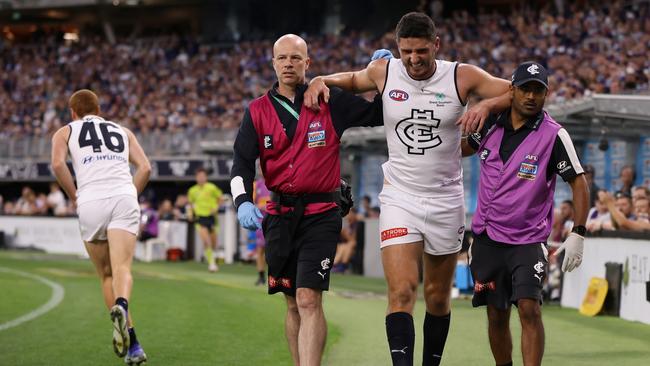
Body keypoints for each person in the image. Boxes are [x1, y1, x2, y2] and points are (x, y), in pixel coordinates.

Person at [304, 12, 511, 366]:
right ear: (397, 49)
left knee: (437, 297)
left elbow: (516, 91)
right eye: (406, 52)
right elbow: (354, 79)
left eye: (420, 51)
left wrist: (487, 104)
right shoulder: (386, 71)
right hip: (400, 197)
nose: (413, 59)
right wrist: (321, 78)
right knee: (401, 291)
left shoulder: (461, 75)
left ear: (436, 45)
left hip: (446, 199)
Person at [230, 34, 382, 366]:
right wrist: (241, 200)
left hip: (322, 214)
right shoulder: (256, 111)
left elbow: (378, 114)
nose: (288, 63)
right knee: (291, 303)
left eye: (295, 58)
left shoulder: (329, 100)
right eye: (282, 58)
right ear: (273, 63)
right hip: (280, 216)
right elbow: (241, 163)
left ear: (307, 63)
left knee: (308, 298)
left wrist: (385, 74)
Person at [462, 62, 589, 366]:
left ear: (546, 95)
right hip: (487, 238)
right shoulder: (490, 123)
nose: (531, 96)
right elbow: (461, 149)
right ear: (512, 91)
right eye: (525, 89)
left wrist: (578, 232)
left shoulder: (555, 135)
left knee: (530, 308)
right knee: (496, 313)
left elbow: (579, 182)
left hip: (527, 241)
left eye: (538, 91)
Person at [50, 89, 150, 365]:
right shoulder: (123, 131)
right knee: (123, 269)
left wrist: (74, 196)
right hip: (123, 196)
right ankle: (124, 308)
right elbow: (146, 168)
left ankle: (133, 342)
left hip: (91, 199)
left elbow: (58, 164)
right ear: (99, 109)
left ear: (73, 112)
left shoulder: (65, 131)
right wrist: (131, 194)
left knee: (106, 274)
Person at [187, 167, 224, 272]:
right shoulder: (192, 190)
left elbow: (221, 198)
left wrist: (216, 207)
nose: (201, 178)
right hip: (200, 217)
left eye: (203, 176)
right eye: (199, 176)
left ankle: (211, 256)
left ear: (206, 177)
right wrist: (190, 213)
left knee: (213, 242)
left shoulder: (211, 187)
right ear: (196, 178)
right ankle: (211, 264)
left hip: (211, 217)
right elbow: (190, 204)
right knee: (206, 240)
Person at [253, 176, 271, 285]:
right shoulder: (256, 185)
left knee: (275, 250)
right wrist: (260, 206)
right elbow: (251, 202)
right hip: (261, 221)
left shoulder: (277, 181)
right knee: (260, 249)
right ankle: (261, 276)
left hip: (277, 220)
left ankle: (276, 277)